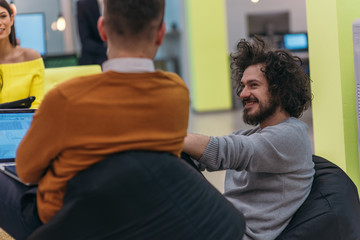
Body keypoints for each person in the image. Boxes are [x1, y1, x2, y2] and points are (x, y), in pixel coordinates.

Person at [0, 0, 191, 239]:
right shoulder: (178, 93)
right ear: (161, 33)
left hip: (67, 222)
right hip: (143, 212)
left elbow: (27, 171)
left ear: (102, 29)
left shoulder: (66, 97)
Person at [183, 36, 315, 240]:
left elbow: (224, 151)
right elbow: (204, 156)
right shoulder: (250, 135)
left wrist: (167, 138)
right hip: (223, 224)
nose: (243, 93)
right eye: (243, 86)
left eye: (253, 85)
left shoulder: (291, 135)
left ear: (279, 91)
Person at [0, 0, 44, 108]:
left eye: (3, 16)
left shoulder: (32, 58)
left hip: (24, 124)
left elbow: (36, 107)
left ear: (11, 19)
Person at [76, 0, 107, 65]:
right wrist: (107, 50)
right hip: (93, 60)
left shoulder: (117, 4)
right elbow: (86, 41)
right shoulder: (83, 5)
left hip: (115, 58)